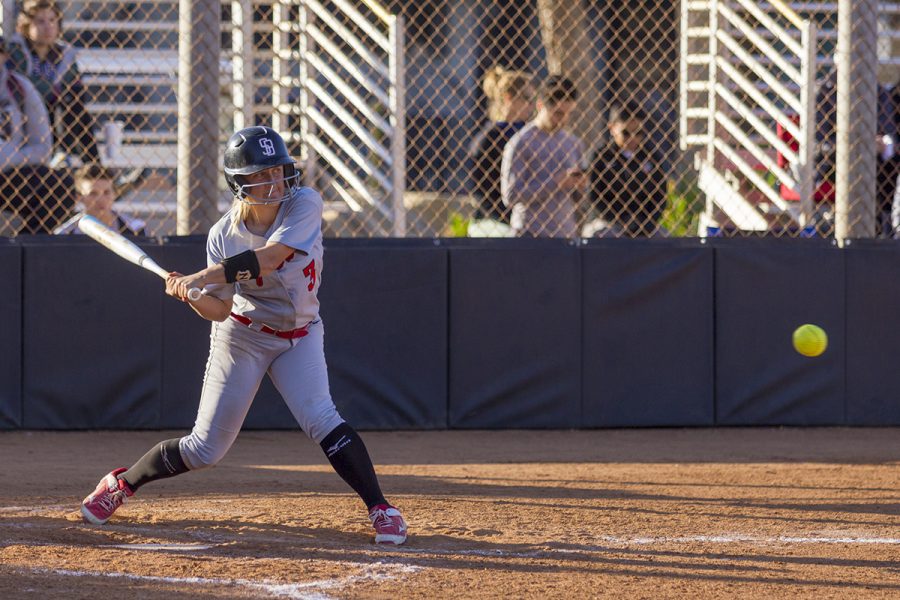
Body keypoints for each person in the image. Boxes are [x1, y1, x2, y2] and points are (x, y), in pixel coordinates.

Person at [80, 126, 408, 545]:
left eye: (278, 170)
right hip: (244, 337)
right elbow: (219, 310)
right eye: (261, 174)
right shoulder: (223, 236)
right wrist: (194, 295)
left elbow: (270, 258)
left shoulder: (304, 203)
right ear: (239, 183)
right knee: (204, 450)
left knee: (323, 418)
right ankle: (121, 484)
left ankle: (381, 507)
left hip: (301, 335)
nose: (274, 181)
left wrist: (202, 276)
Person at [7, 0, 100, 166]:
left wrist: (61, 92)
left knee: (76, 110)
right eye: (40, 21)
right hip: (23, 114)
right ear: (26, 25)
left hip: (56, 114)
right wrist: (55, 89)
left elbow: (77, 90)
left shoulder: (64, 55)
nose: (48, 27)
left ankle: (93, 169)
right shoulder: (15, 51)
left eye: (52, 20)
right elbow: (21, 87)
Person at [0, 34, 75, 234]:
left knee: (59, 186)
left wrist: (9, 158)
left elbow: (43, 148)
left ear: (5, 56)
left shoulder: (19, 88)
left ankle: (25, 247)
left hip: (7, 175)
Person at [500, 75, 585, 238]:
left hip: (565, 235)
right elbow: (510, 196)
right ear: (540, 105)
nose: (564, 119)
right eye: (558, 113)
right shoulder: (521, 142)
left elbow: (579, 199)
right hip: (530, 235)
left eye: (569, 113)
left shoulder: (573, 143)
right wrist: (555, 182)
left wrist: (580, 186)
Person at [467, 66, 535, 237]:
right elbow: (481, 191)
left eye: (533, 99)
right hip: (493, 221)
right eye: (527, 99)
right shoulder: (489, 139)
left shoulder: (532, 135)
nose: (532, 105)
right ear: (508, 98)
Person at [586, 101, 668, 237]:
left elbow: (660, 195)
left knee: (663, 237)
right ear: (612, 128)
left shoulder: (650, 156)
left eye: (638, 133)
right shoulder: (602, 156)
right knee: (598, 235)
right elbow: (594, 195)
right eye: (626, 133)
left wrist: (646, 221)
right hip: (608, 221)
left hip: (644, 222)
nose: (633, 139)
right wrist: (617, 220)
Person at [54, 163, 146, 235]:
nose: (101, 199)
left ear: (114, 194)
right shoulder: (66, 233)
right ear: (79, 197)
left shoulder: (136, 229)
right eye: (93, 193)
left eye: (107, 192)